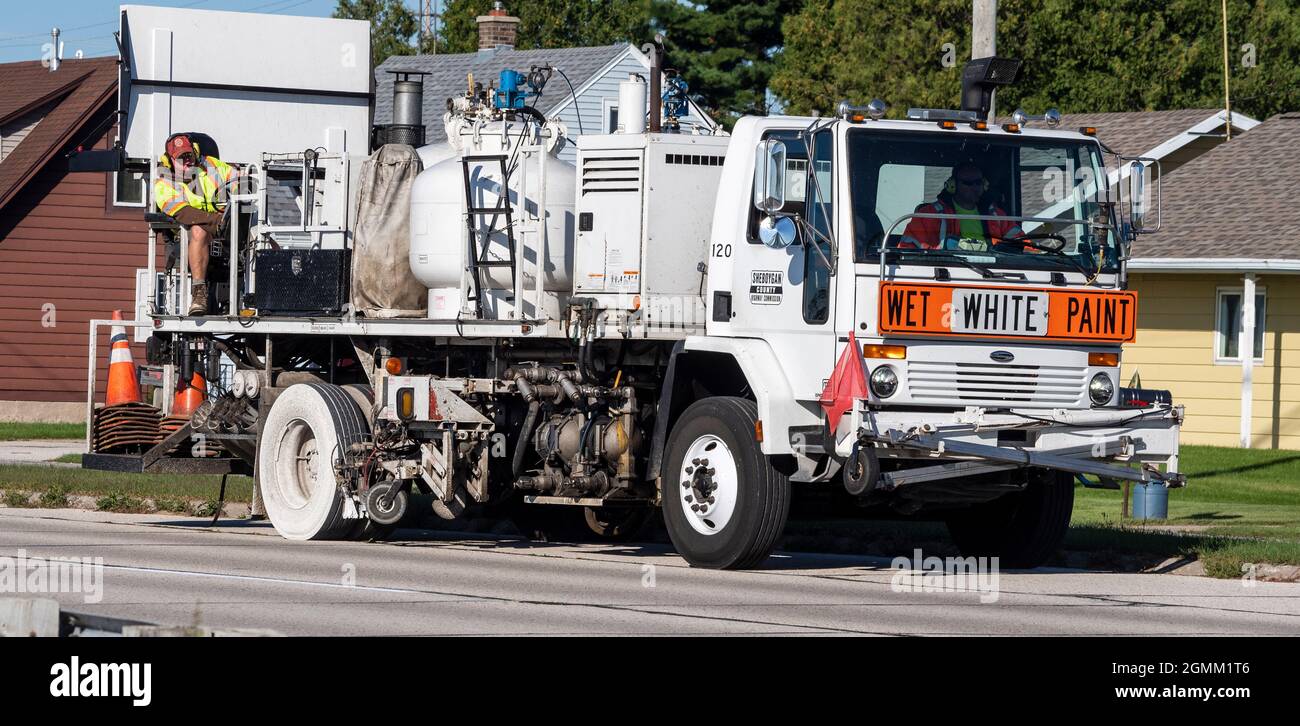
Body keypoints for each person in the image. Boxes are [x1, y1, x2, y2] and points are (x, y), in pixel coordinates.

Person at [154, 134, 238, 316]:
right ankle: (199, 294)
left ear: (195, 152)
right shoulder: (164, 181)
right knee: (198, 230)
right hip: (188, 234)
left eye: (188, 155)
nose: (187, 162)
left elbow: (244, 182)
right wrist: (216, 221)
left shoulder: (212, 166)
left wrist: (239, 198)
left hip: (225, 227)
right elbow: (183, 212)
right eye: (181, 158)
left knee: (261, 234)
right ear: (169, 161)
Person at [900, 161, 1023, 250]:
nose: (974, 187)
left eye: (978, 182)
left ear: (984, 185)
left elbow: (1023, 244)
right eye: (968, 183)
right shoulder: (929, 215)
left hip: (992, 272)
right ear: (953, 185)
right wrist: (941, 249)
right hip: (946, 271)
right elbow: (907, 249)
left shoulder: (996, 215)